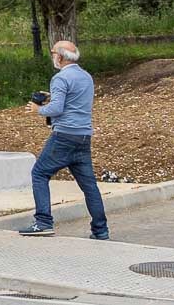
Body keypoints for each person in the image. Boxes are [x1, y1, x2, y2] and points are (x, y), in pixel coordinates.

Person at [19, 40, 109, 239]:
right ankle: (100, 231)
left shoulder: (60, 78)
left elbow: (57, 109)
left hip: (63, 137)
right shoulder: (86, 76)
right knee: (89, 186)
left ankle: (43, 222)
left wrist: (38, 109)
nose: (52, 56)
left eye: (53, 53)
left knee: (39, 173)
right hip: (83, 137)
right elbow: (74, 102)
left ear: (60, 57)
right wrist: (56, 96)